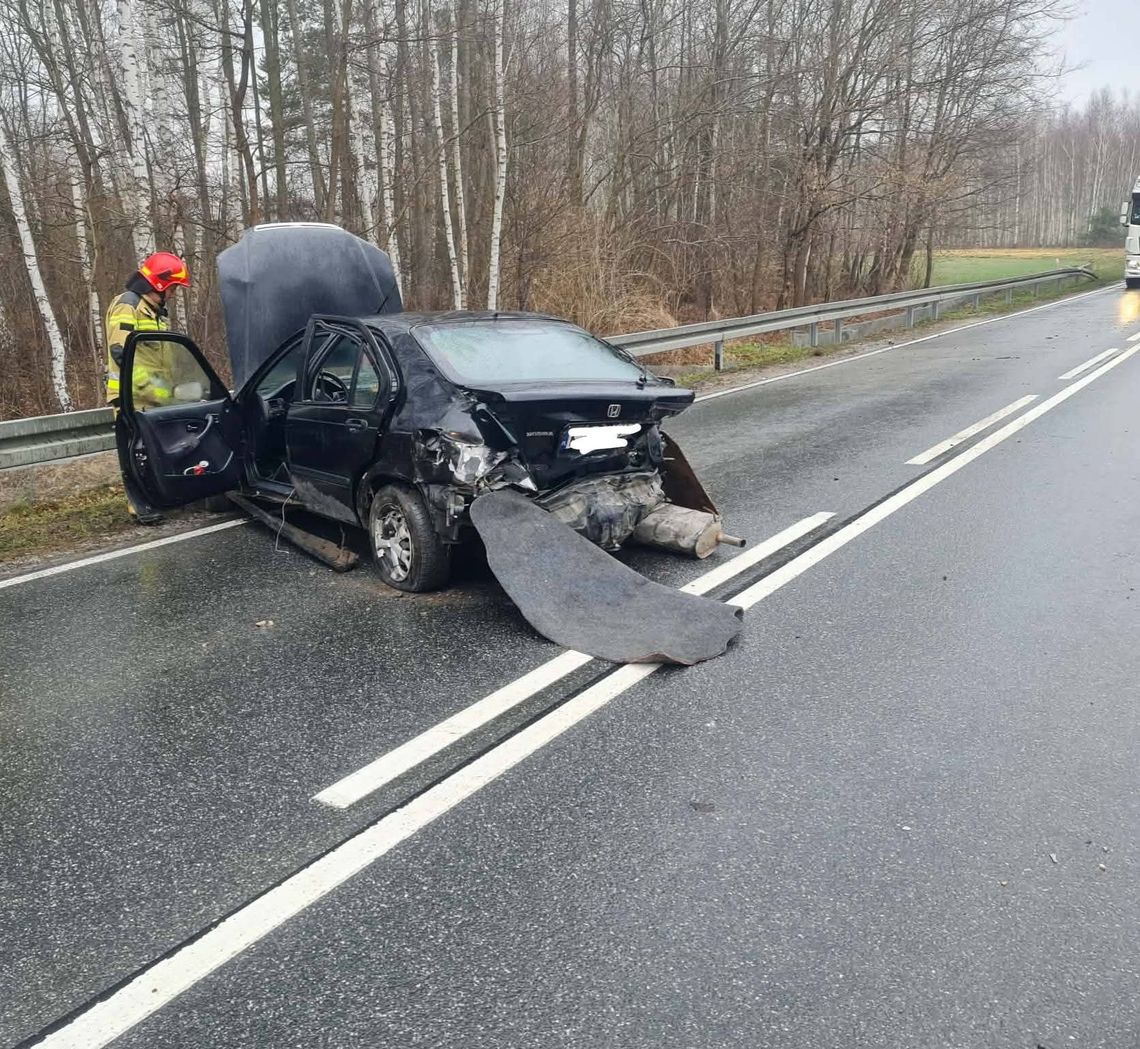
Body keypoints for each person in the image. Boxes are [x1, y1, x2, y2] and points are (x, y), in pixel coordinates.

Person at [105, 252, 191, 408]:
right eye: (172, 289)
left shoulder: (153, 313)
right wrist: (153, 390)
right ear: (160, 285)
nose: (172, 295)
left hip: (154, 399)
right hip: (135, 401)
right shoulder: (128, 306)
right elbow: (121, 352)